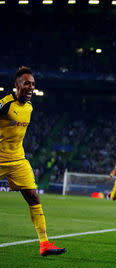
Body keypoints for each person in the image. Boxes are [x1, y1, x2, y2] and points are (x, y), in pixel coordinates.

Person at [0, 66, 66, 256]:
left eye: (33, 84)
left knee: (33, 197)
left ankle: (44, 244)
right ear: (17, 85)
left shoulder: (29, 107)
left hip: (18, 159)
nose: (30, 87)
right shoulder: (5, 104)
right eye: (26, 83)